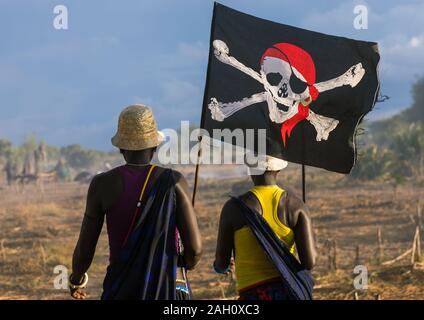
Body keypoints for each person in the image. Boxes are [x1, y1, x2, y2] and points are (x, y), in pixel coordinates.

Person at [69, 104, 202, 300]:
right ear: (155, 146)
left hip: (122, 288)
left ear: (121, 148)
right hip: (169, 288)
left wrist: (76, 278)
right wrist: (172, 262)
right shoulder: (174, 181)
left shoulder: (101, 184)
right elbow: (195, 251)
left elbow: (85, 249)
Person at [214, 155, 317, 300]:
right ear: (280, 168)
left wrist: (222, 268)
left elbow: (221, 262)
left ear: (250, 168)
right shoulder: (296, 206)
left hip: (252, 295)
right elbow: (309, 262)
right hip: (289, 292)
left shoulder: (233, 209)